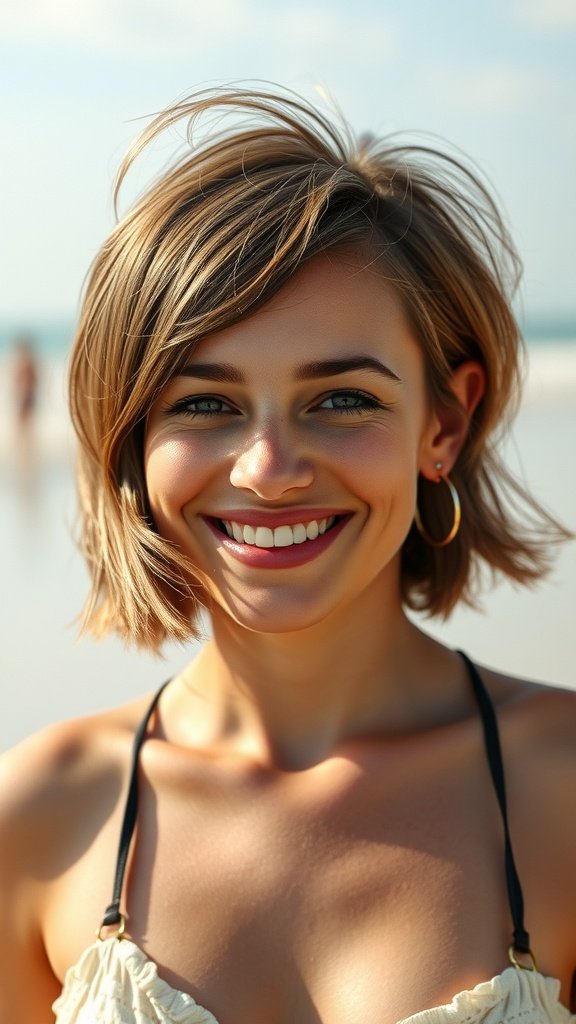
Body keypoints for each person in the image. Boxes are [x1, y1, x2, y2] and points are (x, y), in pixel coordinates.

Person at [0, 85, 574, 1024]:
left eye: (341, 399)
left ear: (444, 421)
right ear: (132, 438)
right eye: (204, 403)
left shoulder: (562, 788)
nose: (268, 471)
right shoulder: (38, 817)